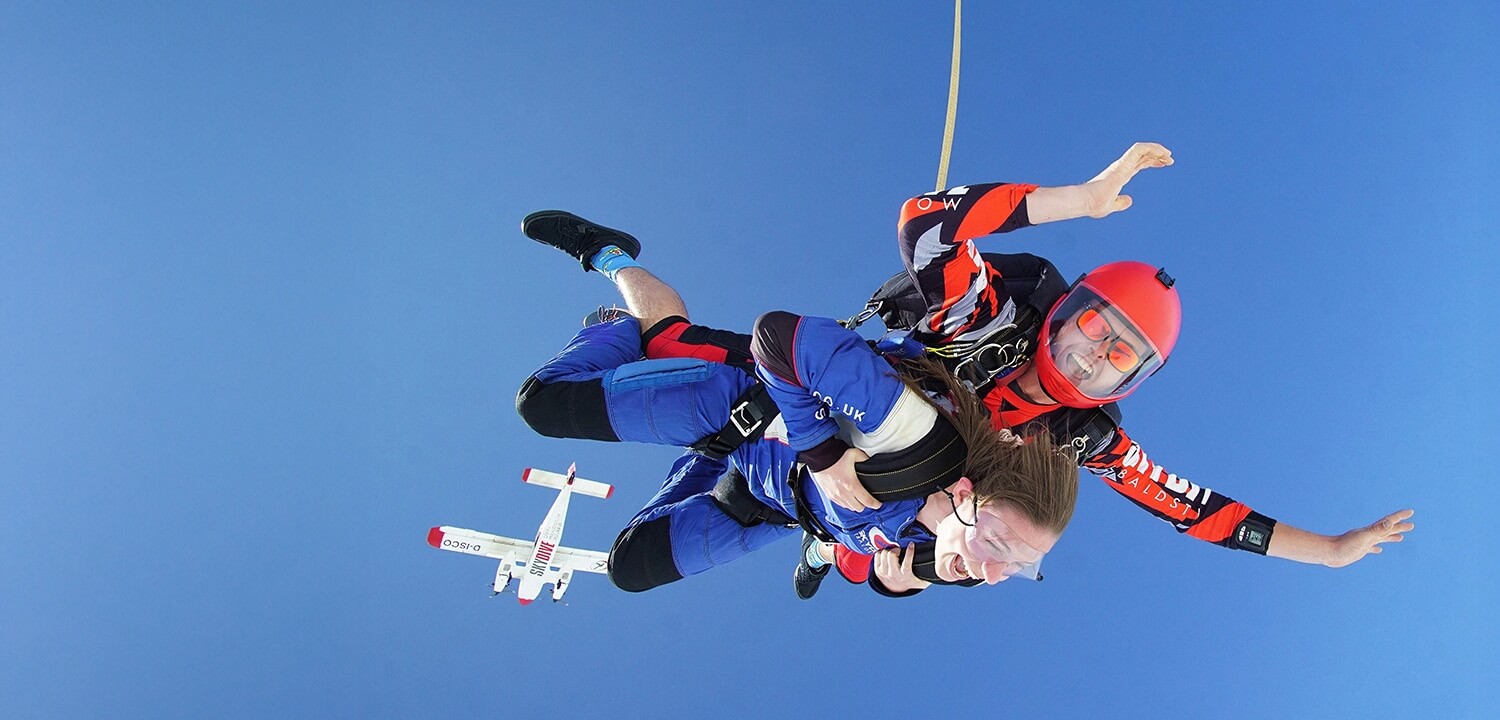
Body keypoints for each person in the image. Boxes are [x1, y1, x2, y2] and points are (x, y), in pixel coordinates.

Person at [517, 144, 1412, 599]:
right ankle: (611, 267)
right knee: (661, 335)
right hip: (804, 397)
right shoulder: (987, 320)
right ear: (1064, 309)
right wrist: (1078, 201)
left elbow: (1197, 511)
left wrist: (1331, 551)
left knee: (900, 564)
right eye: (1094, 328)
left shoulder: (1086, 440)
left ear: (1133, 384)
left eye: (1119, 357)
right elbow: (927, 225)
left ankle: (822, 539)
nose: (1091, 355)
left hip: (842, 489)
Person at [515, 305, 1079, 595]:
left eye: (1021, 567)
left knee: (629, 567)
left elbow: (889, 573)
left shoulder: (963, 555)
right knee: (542, 404)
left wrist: (897, 583)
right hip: (741, 410)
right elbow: (779, 335)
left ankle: (708, 462)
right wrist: (822, 454)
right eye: (999, 548)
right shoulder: (915, 439)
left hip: (771, 503)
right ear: (964, 493)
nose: (994, 574)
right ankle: (617, 319)